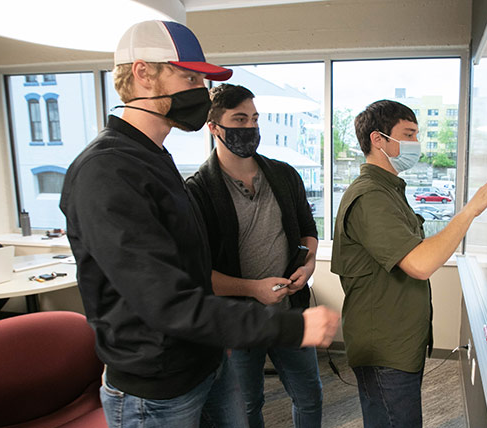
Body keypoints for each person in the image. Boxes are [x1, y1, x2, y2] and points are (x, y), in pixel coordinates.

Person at [59, 20, 339, 428]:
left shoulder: (155, 159)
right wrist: (293, 326)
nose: (200, 92)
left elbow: (190, 269)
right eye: (188, 76)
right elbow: (166, 302)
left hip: (206, 362)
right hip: (158, 388)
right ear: (143, 73)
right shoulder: (107, 171)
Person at [330, 100, 487, 427]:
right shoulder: (371, 196)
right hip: (384, 349)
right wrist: (469, 211)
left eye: (416, 135)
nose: (416, 144)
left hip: (398, 342)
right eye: (408, 135)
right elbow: (420, 264)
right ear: (377, 140)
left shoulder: (389, 190)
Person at [186, 83, 323, 428]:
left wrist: (307, 266)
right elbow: (200, 272)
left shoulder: (284, 175)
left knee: (310, 395)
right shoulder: (198, 190)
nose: (250, 127)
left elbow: (308, 231)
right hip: (237, 322)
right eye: (239, 119)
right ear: (214, 126)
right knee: (246, 406)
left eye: (255, 119)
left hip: (289, 312)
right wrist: (252, 289)